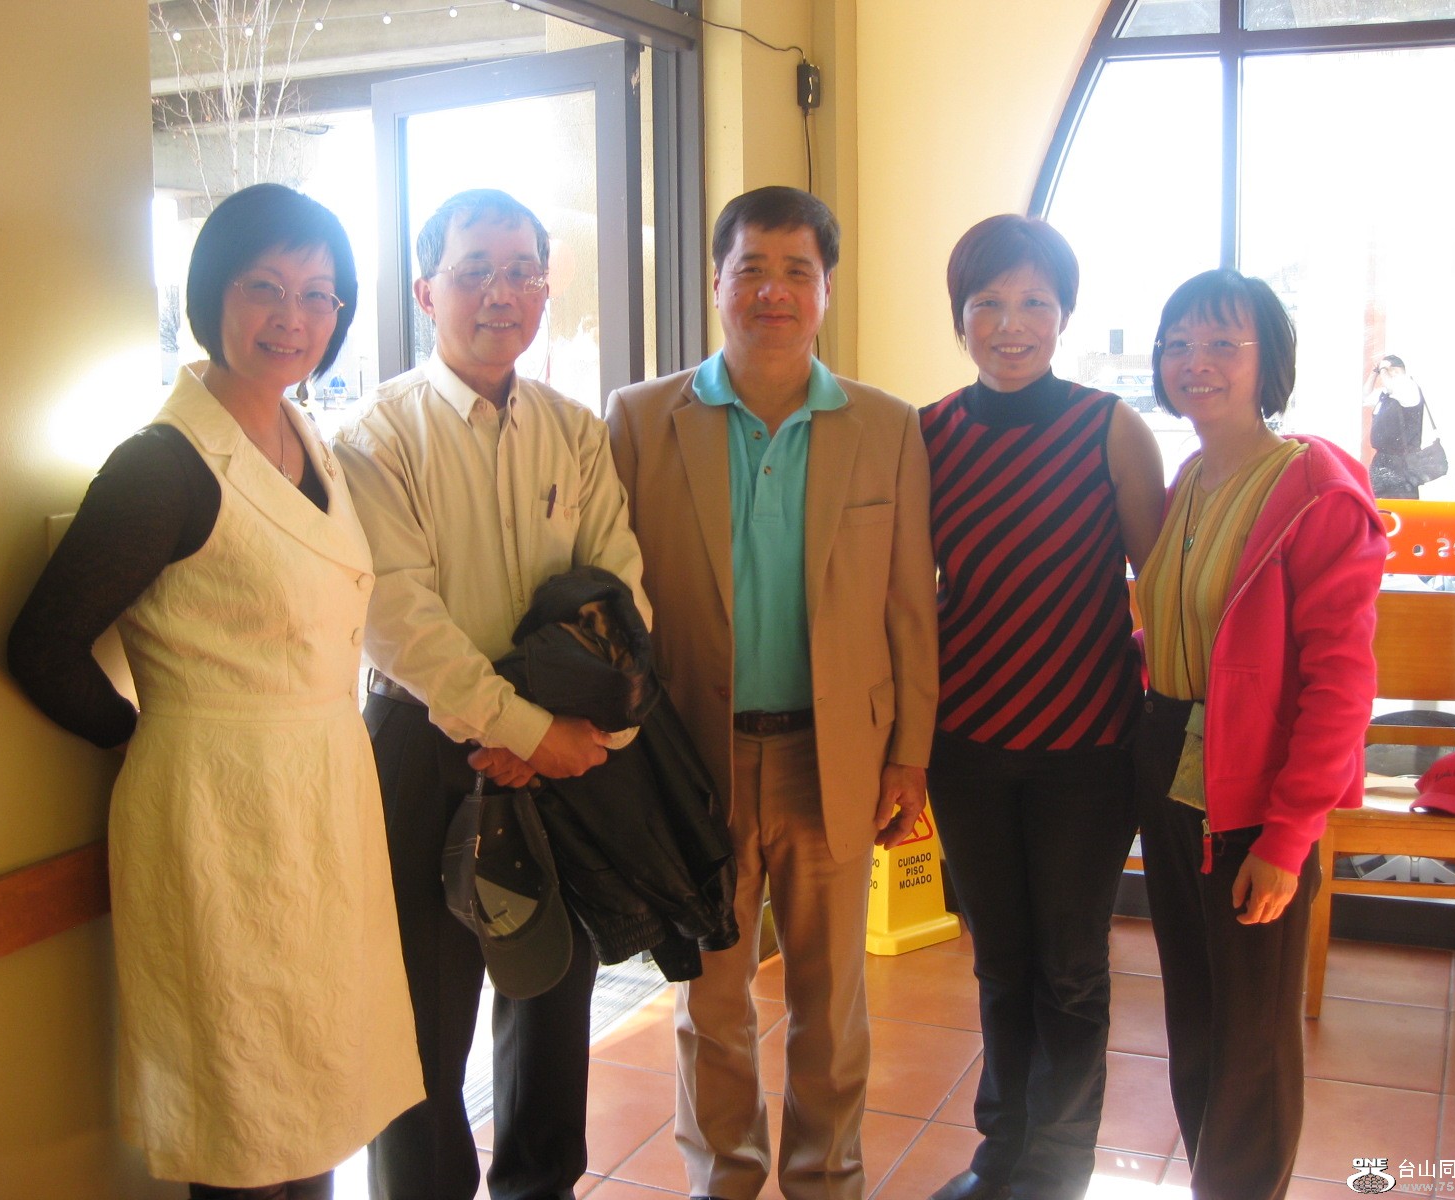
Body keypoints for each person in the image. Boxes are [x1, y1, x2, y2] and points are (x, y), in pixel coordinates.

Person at [8, 183, 424, 1198]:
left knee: (317, 1082)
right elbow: (43, 646)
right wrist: (147, 739)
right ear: (211, 296)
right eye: (264, 287)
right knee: (239, 1092)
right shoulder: (164, 466)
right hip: (217, 814)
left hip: (321, 798)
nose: (293, 317)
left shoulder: (305, 437)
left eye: (318, 294)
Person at [605, 185, 938, 1200]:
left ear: (827, 289)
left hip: (829, 759)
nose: (773, 291)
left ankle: (826, 1180)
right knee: (710, 1003)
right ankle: (725, 1180)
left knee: (831, 1005)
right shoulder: (640, 419)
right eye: (750, 268)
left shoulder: (885, 426)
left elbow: (908, 606)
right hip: (692, 761)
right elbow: (613, 603)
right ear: (716, 283)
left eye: (797, 271)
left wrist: (909, 755)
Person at [332, 188, 647, 1200]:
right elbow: (399, 619)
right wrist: (523, 729)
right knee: (420, 1022)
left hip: (562, 748)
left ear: (546, 291)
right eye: (473, 271)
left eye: (521, 271)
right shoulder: (376, 434)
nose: (499, 292)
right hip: (423, 747)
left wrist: (572, 734)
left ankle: (539, 1187)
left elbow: (620, 591)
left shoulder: (575, 431)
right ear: (427, 292)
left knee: (552, 995)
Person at [918, 215, 1166, 1200]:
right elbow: (907, 591)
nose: (1010, 324)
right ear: (960, 318)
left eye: (1033, 303)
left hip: (1087, 749)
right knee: (999, 960)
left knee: (1069, 965)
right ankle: (1000, 1155)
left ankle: (1056, 1171)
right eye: (988, 304)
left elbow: (1159, 589)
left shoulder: (1110, 429)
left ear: (1063, 316)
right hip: (965, 744)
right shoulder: (929, 434)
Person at [1135, 269, 1384, 1199]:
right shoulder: (1189, 479)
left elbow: (1341, 685)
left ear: (1267, 361)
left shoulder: (1315, 490)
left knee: (1252, 1037)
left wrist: (1287, 839)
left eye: (1222, 343)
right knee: (1197, 1015)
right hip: (1170, 763)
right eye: (1178, 343)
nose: (1195, 361)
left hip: (1253, 783)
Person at [1365, 353, 1427, 499]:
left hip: (1402, 462)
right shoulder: (1385, 394)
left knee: (1401, 502)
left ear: (1396, 370)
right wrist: (1374, 373)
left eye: (1384, 370)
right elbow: (1365, 397)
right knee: (1377, 502)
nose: (1382, 374)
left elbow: (1392, 387)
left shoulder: (1409, 387)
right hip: (1382, 459)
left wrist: (1383, 369)